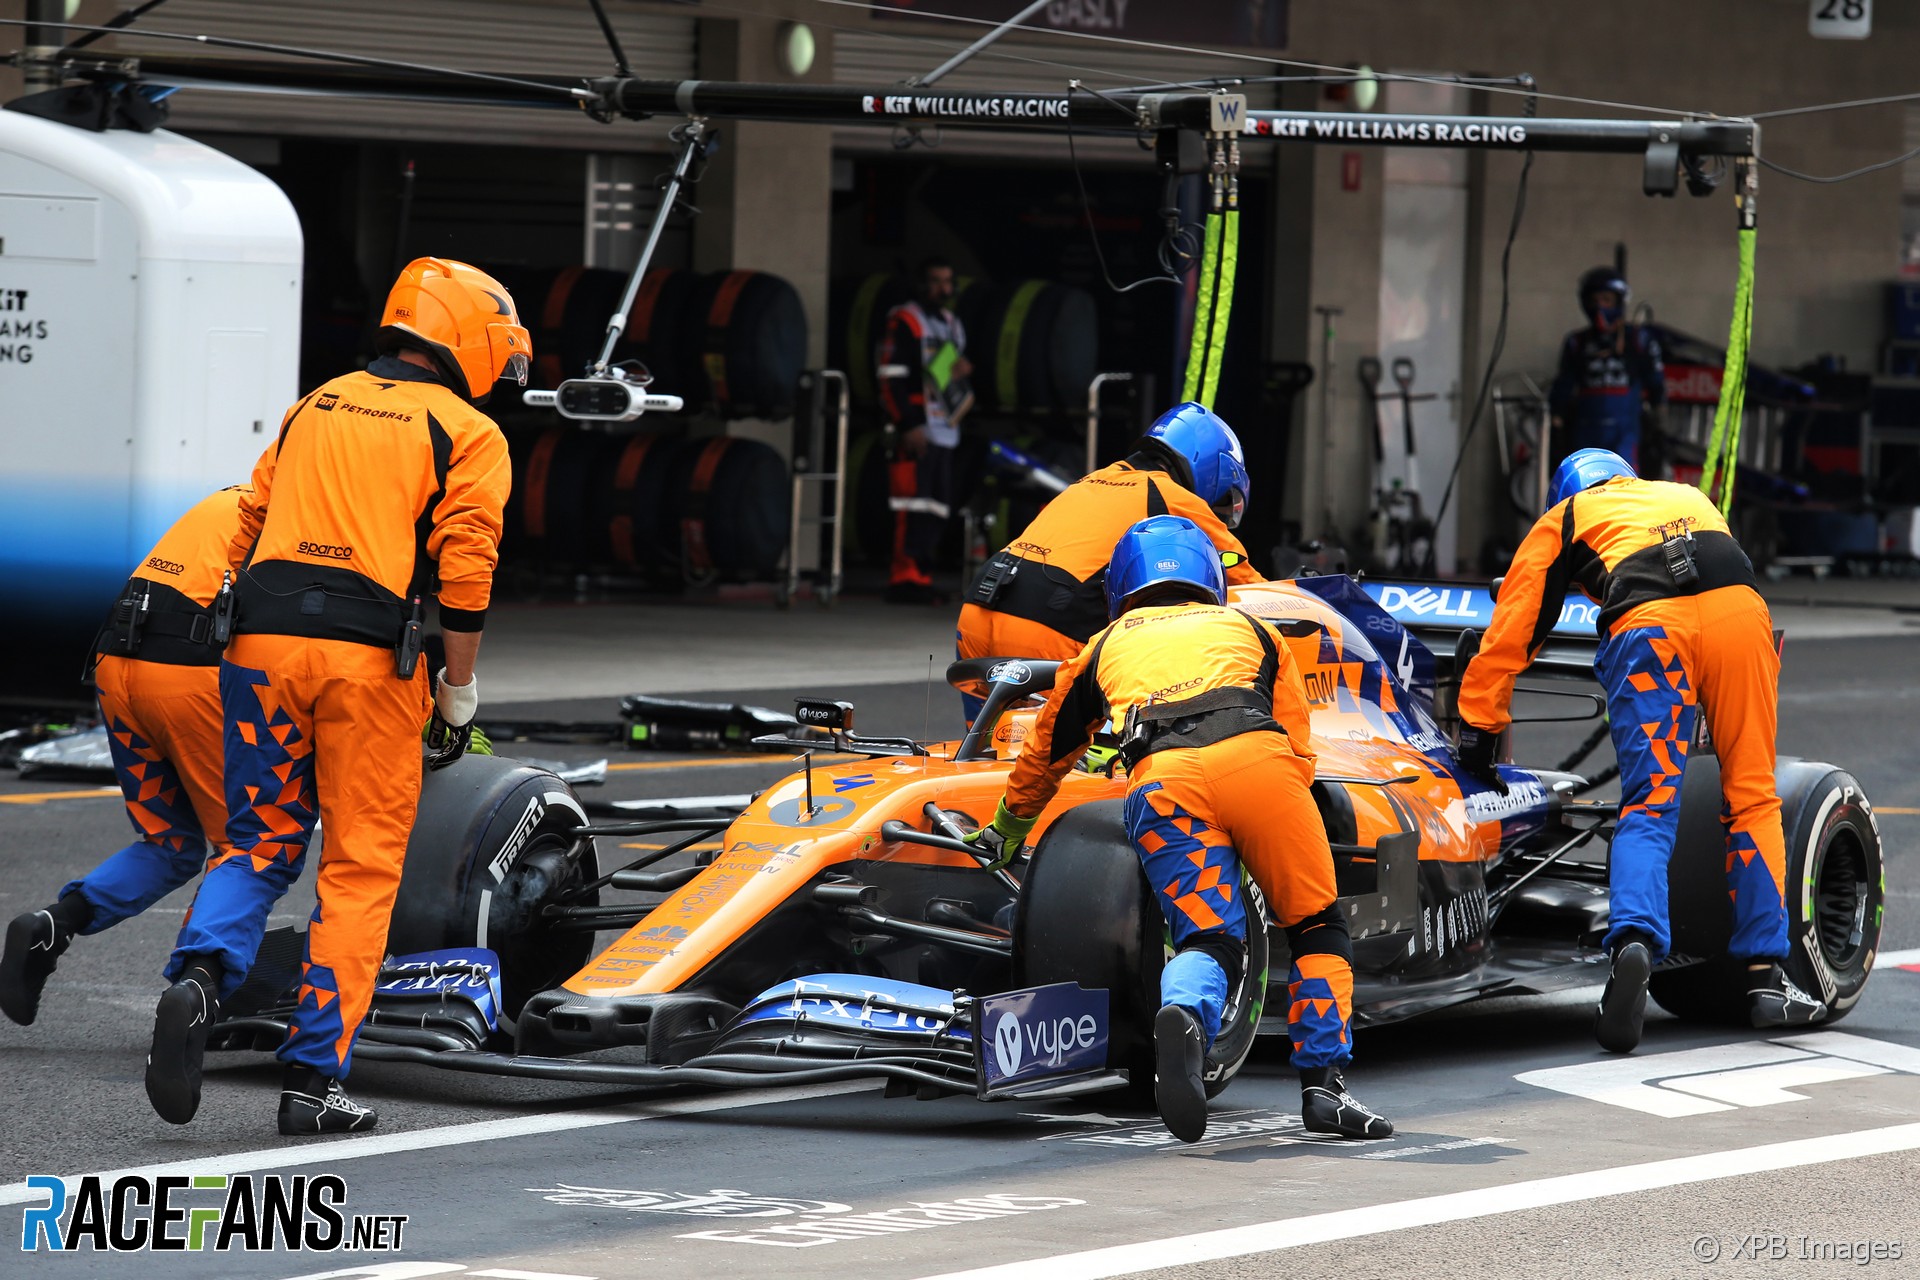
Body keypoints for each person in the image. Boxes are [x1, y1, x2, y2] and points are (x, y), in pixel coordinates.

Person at [145, 257, 522, 1135]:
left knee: (258, 839)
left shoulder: (316, 403)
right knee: (358, 869)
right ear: (468, 339)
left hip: (261, 650)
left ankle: (200, 978)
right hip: (369, 666)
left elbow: (248, 520)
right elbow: (467, 571)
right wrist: (458, 688)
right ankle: (314, 1084)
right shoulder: (469, 431)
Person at [963, 515, 1392, 1143]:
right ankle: (1324, 1088)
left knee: (1210, 938)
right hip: (1261, 765)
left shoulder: (1103, 644)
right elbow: (1298, 741)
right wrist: (1265, 821)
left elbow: (1048, 749)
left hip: (1164, 779)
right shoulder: (1254, 630)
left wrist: (1007, 826)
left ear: (1122, 586)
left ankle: (1186, 1014)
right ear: (1209, 577)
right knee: (1315, 925)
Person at [1455, 448, 1825, 1055]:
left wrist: (1478, 730)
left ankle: (1633, 943)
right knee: (1753, 795)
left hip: (1651, 628)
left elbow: (1508, 636)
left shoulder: (1565, 518)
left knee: (1650, 805)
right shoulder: (1684, 494)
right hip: (1741, 616)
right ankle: (1766, 979)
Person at [0, 488, 247, 1026]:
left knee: (170, 843)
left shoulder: (227, 499)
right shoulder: (299, 515)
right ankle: (198, 994)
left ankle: (51, 926)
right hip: (189, 677)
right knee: (246, 848)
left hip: (118, 664)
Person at [954, 402, 1261, 720]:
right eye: (1222, 498)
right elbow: (1251, 589)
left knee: (988, 745)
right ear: (1214, 471)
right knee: (1066, 747)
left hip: (978, 610)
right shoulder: (1173, 496)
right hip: (1049, 627)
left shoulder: (1091, 480)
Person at [878, 256, 972, 604]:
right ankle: (904, 580)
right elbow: (890, 377)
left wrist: (960, 369)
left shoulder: (952, 324)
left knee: (936, 507)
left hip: (946, 428)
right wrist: (908, 424)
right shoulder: (905, 320)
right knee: (911, 505)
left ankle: (921, 577)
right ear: (920, 284)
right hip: (916, 429)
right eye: (934, 281)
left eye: (947, 282)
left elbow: (945, 374)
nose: (942, 289)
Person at [1549, 267, 1666, 474]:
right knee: (1584, 484)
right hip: (1586, 432)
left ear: (1618, 302)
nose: (1600, 307)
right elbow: (1563, 387)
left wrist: (1658, 423)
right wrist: (1556, 423)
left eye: (1606, 300)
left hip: (1625, 432)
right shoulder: (1577, 343)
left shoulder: (1639, 340)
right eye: (1594, 300)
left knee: (1626, 484)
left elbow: (1656, 385)